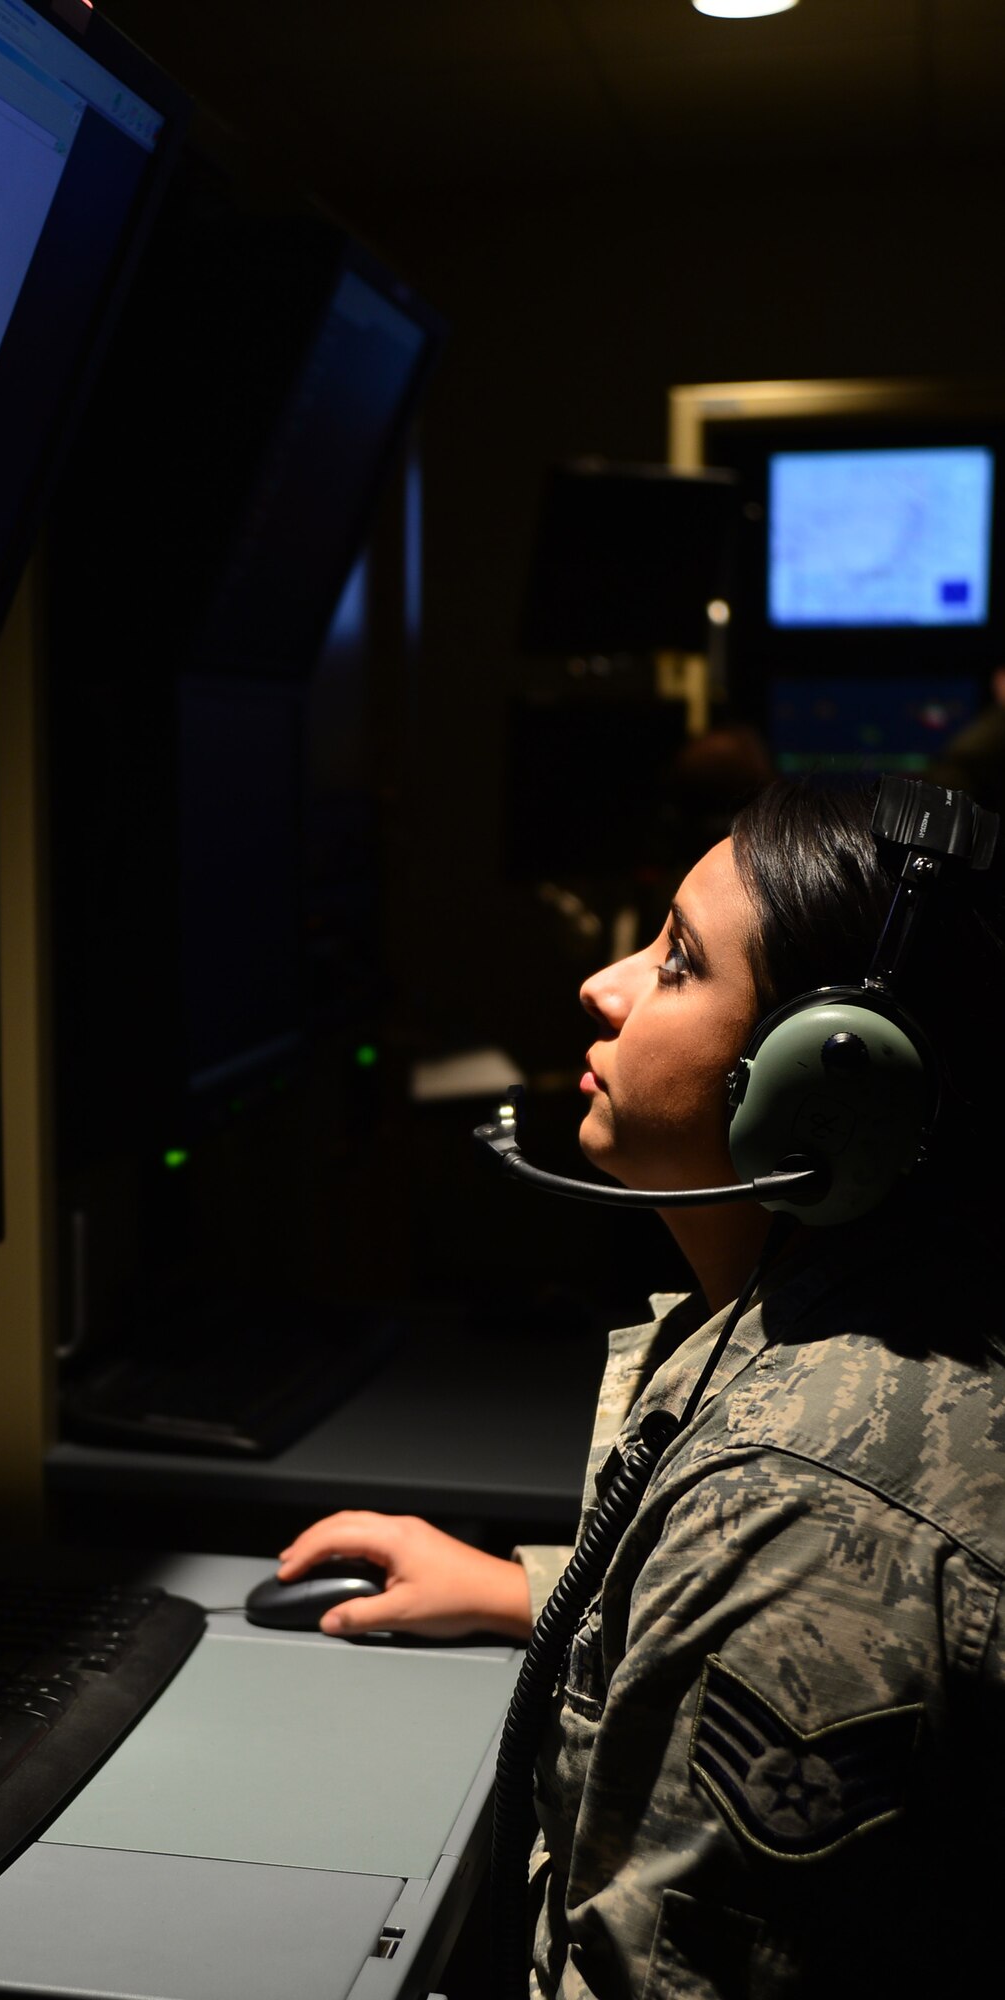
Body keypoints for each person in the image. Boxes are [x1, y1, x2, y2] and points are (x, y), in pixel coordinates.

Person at [277, 776, 1005, 1998]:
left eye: (674, 960)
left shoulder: (793, 1514)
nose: (602, 985)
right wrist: (535, 1590)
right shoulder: (878, 1330)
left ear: (827, 1090)